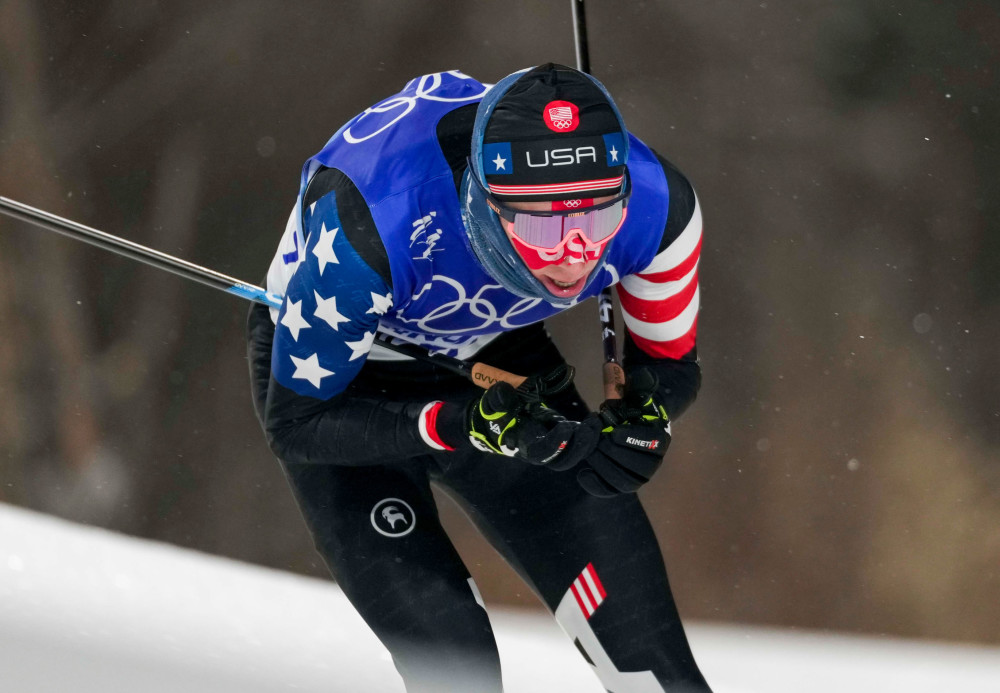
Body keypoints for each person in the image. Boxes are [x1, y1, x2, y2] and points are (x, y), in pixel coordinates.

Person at [246, 64, 710, 693]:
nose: (574, 256)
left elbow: (669, 365)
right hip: (347, 383)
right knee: (455, 670)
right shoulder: (369, 228)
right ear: (484, 202)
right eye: (545, 226)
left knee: (660, 670)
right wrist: (462, 422)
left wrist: (642, 418)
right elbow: (297, 425)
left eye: (595, 223)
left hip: (497, 349)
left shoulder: (658, 209)